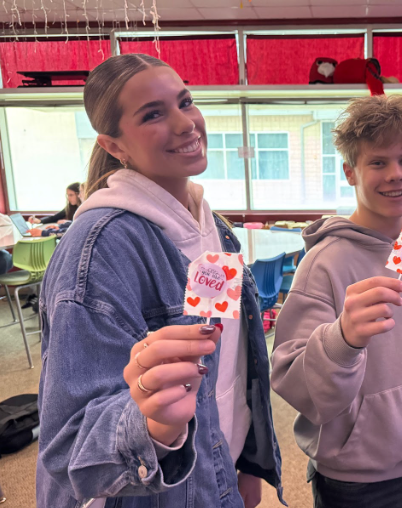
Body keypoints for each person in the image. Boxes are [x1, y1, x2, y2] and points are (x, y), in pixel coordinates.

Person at [36, 54, 283, 508]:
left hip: (216, 475)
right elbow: (66, 447)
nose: (185, 123)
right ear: (114, 145)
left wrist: (243, 462)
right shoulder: (98, 251)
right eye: (152, 114)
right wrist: (154, 424)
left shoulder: (215, 230)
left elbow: (229, 365)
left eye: (185, 102)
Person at [271, 95, 402, 508]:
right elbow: (290, 378)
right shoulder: (322, 263)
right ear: (350, 172)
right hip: (354, 478)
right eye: (378, 162)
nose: (396, 175)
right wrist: (341, 338)